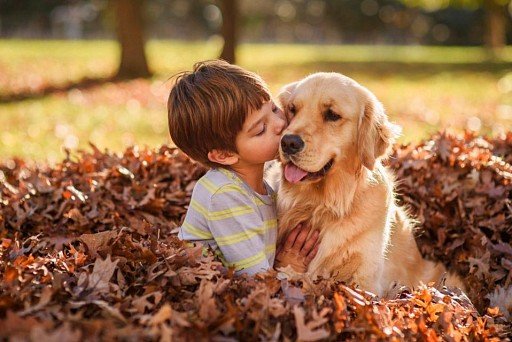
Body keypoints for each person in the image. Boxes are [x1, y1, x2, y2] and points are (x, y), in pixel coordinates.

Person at [167, 60, 318, 275]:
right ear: (224, 154)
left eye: (274, 109)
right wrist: (288, 268)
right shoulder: (225, 196)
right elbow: (256, 281)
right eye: (260, 129)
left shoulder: (261, 187)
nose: (279, 124)